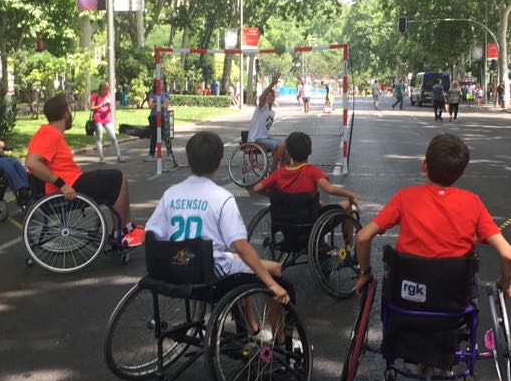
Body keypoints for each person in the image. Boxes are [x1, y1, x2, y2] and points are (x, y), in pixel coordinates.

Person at [144, 131, 290, 340]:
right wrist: (271, 284)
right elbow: (240, 245)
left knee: (238, 262)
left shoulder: (171, 193)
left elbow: (149, 234)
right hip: (207, 271)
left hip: (173, 266)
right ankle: (279, 340)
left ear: (189, 159)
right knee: (273, 269)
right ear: (220, 162)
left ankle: (252, 327)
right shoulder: (222, 198)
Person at [353, 133, 511, 300]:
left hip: (406, 300)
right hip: (454, 302)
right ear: (461, 172)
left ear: (424, 165)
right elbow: (508, 254)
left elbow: (362, 237)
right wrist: (506, 283)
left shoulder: (404, 197)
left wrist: (365, 273)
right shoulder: (473, 202)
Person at [25, 94, 143, 248]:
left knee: (118, 178)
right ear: (65, 114)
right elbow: (31, 163)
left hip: (72, 180)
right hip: (67, 186)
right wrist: (61, 184)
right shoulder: (49, 134)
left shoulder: (48, 132)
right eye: (69, 109)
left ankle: (126, 228)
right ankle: (120, 233)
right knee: (117, 178)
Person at [253, 131, 359, 244]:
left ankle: (320, 244)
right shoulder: (312, 171)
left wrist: (275, 195)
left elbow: (256, 188)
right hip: (311, 226)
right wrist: (350, 195)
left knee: (319, 204)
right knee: (348, 206)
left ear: (287, 152)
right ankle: (348, 248)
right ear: (310, 151)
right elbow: (329, 189)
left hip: (285, 225)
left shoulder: (278, 174)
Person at [247, 72, 286, 168]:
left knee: (286, 145)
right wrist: (272, 84)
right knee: (281, 145)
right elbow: (262, 96)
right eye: (267, 95)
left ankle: (283, 169)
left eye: (271, 95)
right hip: (255, 139)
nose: (269, 97)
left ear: (274, 98)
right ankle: (273, 172)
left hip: (264, 138)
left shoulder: (272, 112)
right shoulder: (262, 107)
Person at [90, 82, 125, 164]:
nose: (105, 91)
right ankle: (101, 158)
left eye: (107, 89)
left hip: (107, 118)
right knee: (99, 138)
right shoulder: (95, 96)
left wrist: (109, 105)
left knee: (113, 137)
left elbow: (110, 108)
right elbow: (91, 108)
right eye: (103, 89)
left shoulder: (109, 96)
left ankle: (119, 156)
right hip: (98, 118)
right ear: (100, 89)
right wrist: (101, 104)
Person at [145, 83, 171, 161]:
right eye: (158, 83)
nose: (160, 85)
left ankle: (169, 154)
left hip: (163, 117)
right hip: (153, 117)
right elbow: (150, 105)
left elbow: (166, 105)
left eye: (161, 83)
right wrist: (160, 104)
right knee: (154, 136)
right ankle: (151, 155)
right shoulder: (153, 94)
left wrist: (156, 104)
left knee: (166, 136)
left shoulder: (166, 94)